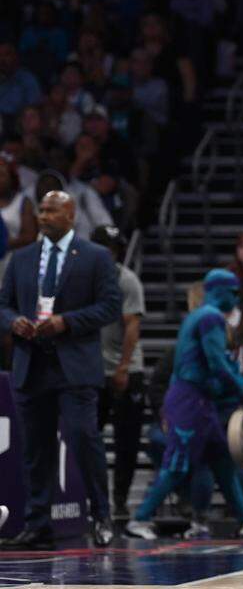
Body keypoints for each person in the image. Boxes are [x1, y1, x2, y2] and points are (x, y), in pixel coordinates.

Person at [0, 192, 122, 550]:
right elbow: (2, 304)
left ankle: (101, 516)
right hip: (31, 363)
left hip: (74, 364)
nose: (44, 216)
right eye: (41, 210)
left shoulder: (95, 256)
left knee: (85, 439)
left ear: (70, 214)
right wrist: (14, 322)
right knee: (36, 449)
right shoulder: (21, 258)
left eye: (52, 210)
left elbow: (110, 307)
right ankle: (38, 523)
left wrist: (66, 322)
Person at [125, 270, 243, 540]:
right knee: (177, 463)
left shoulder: (198, 316)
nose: (235, 298)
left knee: (223, 461)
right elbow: (217, 363)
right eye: (233, 292)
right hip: (191, 401)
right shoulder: (210, 318)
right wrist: (242, 389)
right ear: (218, 290)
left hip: (197, 399)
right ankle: (139, 519)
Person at [91, 225, 146, 519]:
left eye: (112, 249)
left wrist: (123, 367)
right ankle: (93, 499)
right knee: (89, 437)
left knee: (127, 441)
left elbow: (132, 325)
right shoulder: (84, 278)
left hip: (125, 369)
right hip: (91, 371)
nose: (108, 254)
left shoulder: (127, 280)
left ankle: (121, 499)